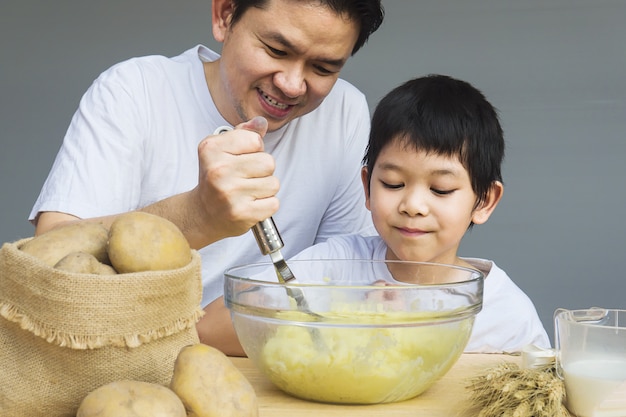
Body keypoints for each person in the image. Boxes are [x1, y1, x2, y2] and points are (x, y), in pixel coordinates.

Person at [28, 0, 384, 356]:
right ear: (225, 15)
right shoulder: (133, 91)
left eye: (323, 68)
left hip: (266, 366)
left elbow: (345, 280)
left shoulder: (344, 113)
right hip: (112, 358)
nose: (292, 85)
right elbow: (43, 265)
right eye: (276, 50)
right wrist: (198, 215)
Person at [289, 74, 551, 353]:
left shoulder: (504, 313)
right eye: (393, 184)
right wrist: (348, 321)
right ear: (366, 188)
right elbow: (243, 321)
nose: (412, 205)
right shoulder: (335, 265)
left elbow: (539, 391)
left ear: (484, 201)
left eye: (441, 189)